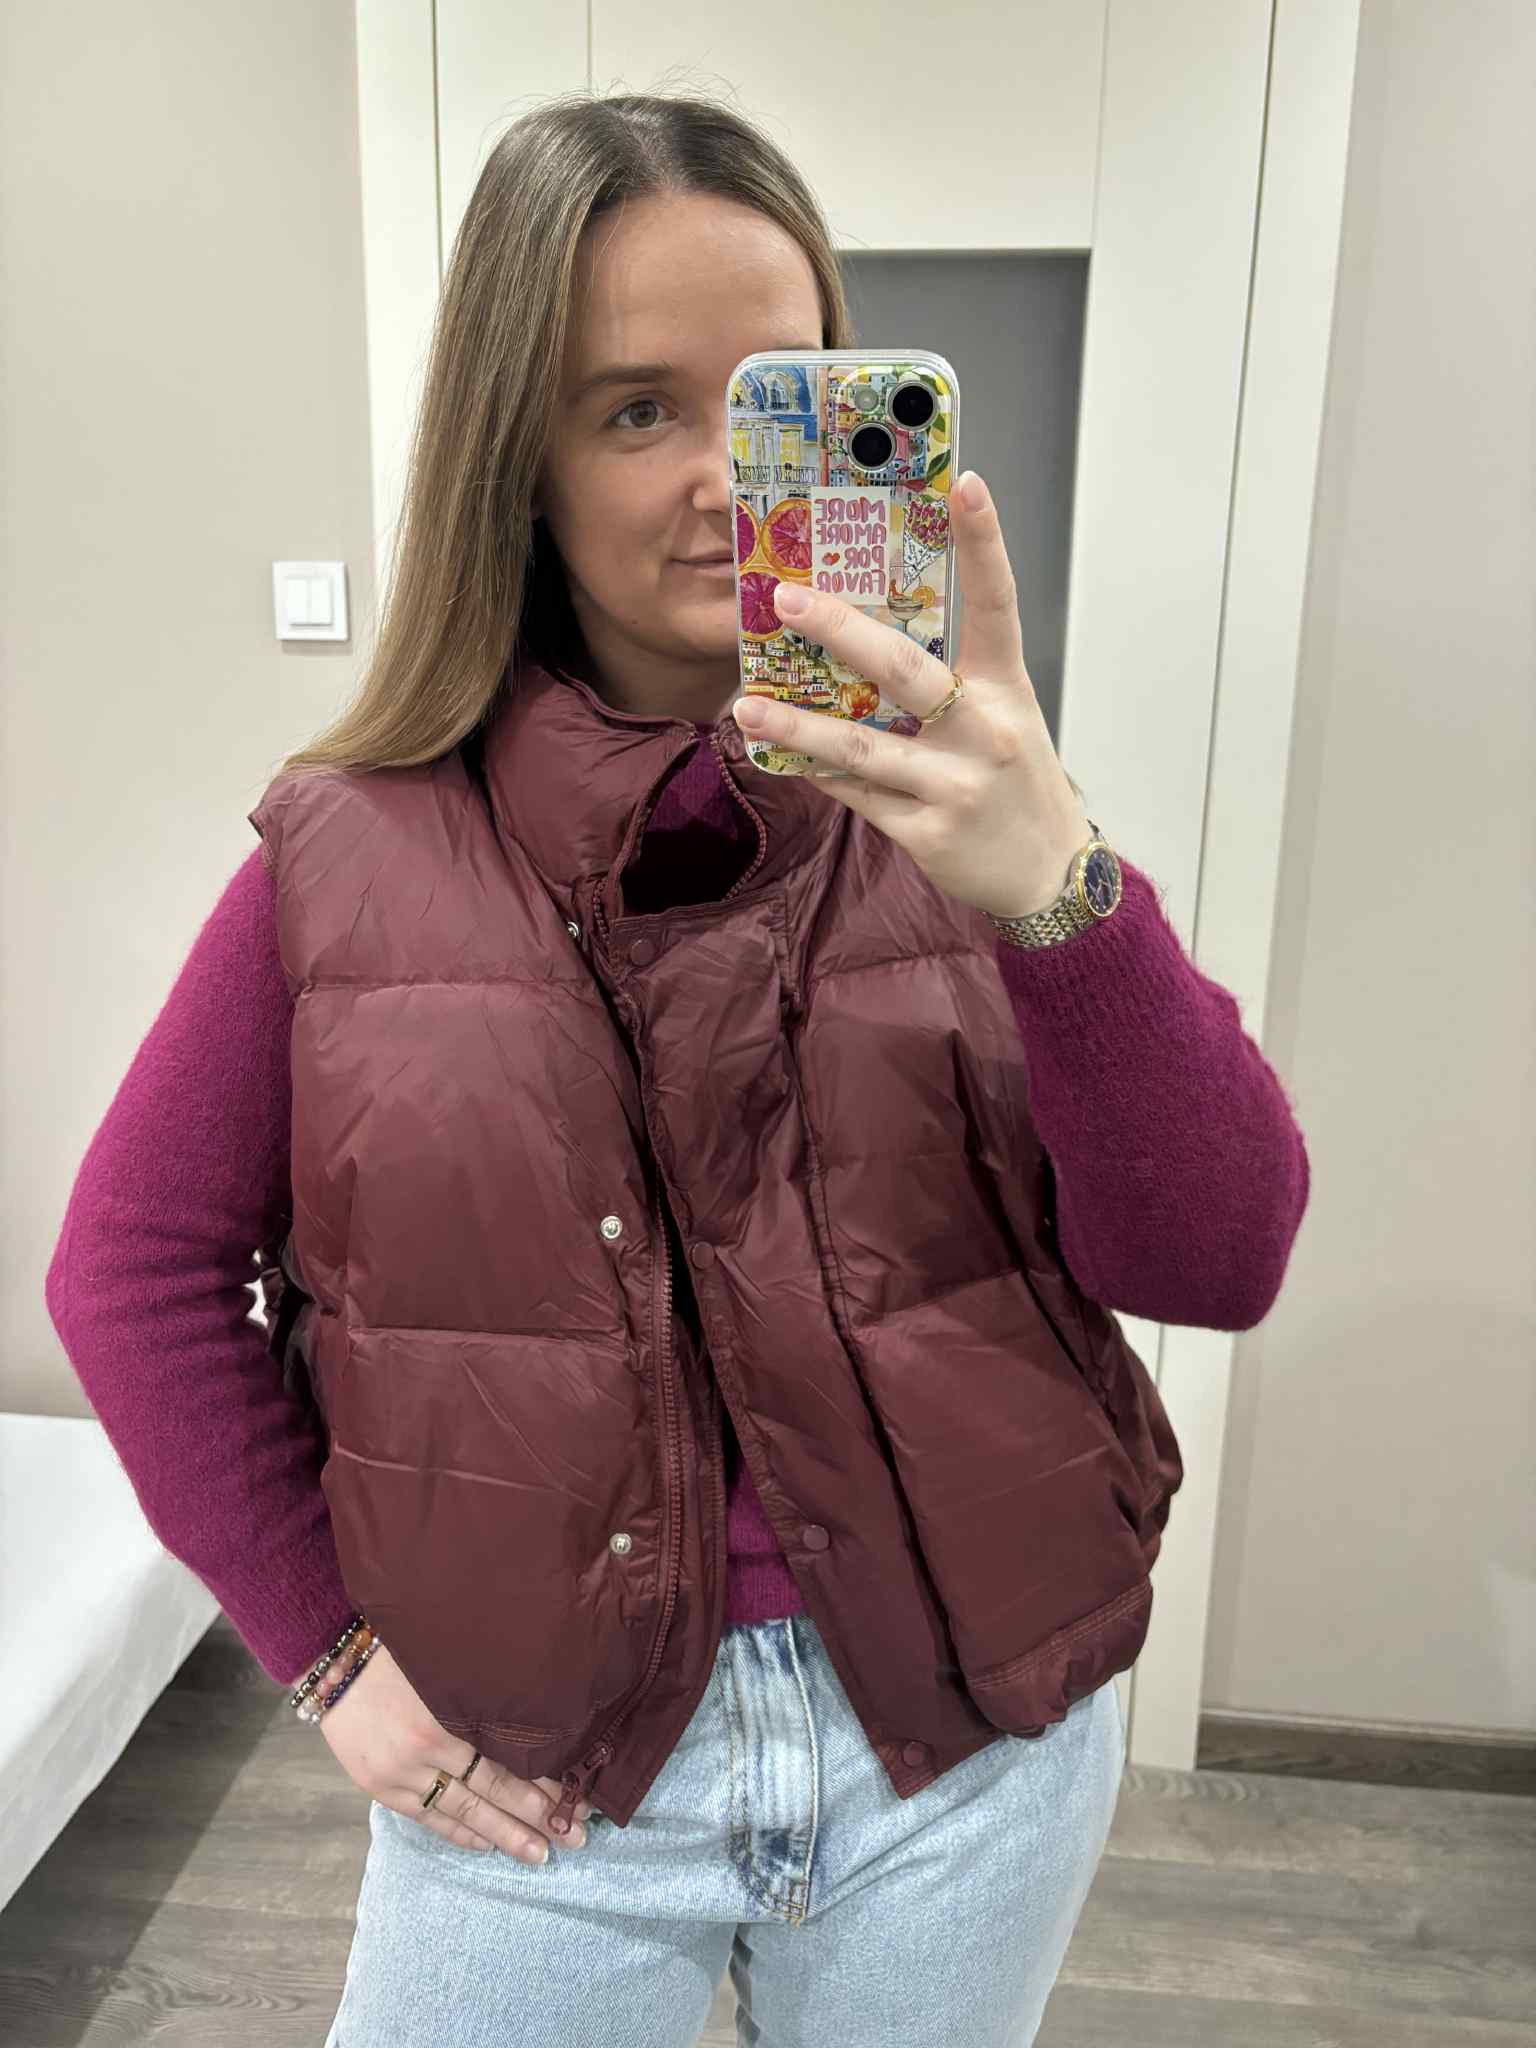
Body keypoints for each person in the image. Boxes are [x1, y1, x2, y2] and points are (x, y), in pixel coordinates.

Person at [45, 90, 1310, 2048]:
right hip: (548, 1787)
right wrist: (328, 1658)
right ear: (519, 460)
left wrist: (1060, 885)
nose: (730, 475)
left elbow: (1215, 1258)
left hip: (964, 1753)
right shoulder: (347, 852)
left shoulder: (976, 816)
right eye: (637, 409)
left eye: (783, 396)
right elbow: (130, 1271)